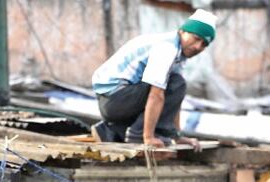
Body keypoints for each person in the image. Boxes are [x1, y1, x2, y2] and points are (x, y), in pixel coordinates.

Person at [91, 9, 216, 148]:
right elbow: (156, 96)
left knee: (175, 86)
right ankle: (138, 135)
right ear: (182, 31)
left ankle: (110, 132)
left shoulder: (178, 53)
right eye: (196, 38)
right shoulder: (167, 48)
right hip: (114, 99)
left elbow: (174, 102)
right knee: (175, 84)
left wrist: (177, 136)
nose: (198, 46)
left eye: (204, 44)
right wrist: (148, 137)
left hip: (114, 101)